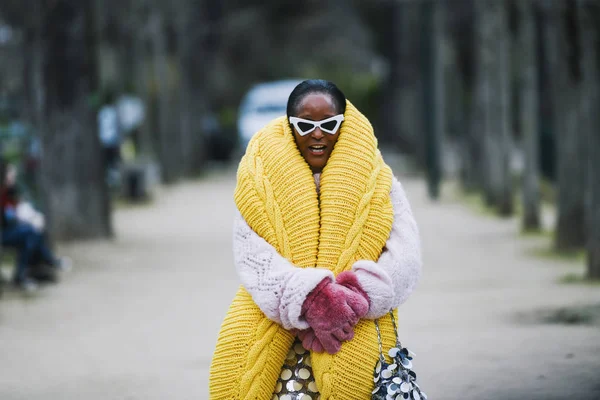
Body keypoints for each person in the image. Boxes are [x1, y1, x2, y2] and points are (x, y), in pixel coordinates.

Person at [209, 80, 422, 399]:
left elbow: (405, 258)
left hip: (353, 328)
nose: (318, 134)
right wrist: (311, 298)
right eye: (305, 125)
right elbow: (252, 256)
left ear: (344, 124)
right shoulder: (257, 184)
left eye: (330, 124)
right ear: (289, 125)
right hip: (279, 332)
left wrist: (353, 297)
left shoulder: (381, 182)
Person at [1, 165, 71, 291]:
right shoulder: (4, 194)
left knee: (32, 234)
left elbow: (15, 212)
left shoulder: (9, 193)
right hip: (4, 234)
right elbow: (9, 217)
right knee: (32, 232)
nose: (13, 178)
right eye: (11, 175)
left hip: (8, 231)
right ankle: (49, 261)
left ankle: (25, 273)